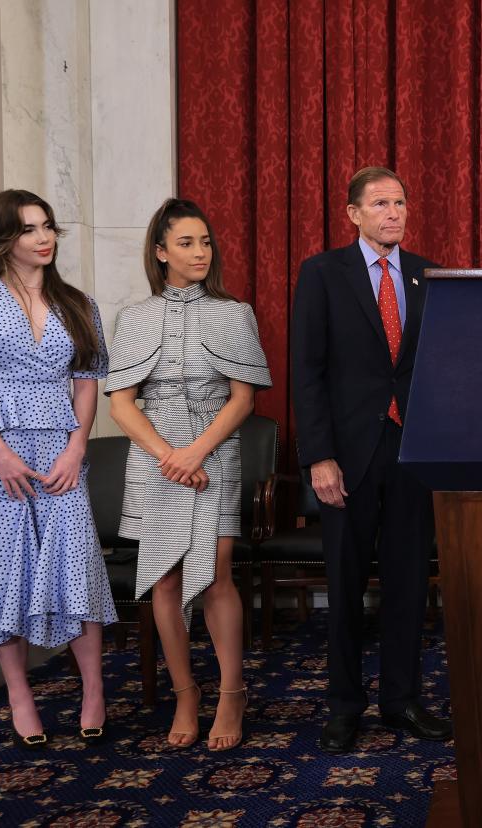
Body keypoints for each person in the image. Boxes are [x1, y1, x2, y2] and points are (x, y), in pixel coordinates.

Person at [0, 189, 116, 749]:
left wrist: (77, 447)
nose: (44, 238)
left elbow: (87, 382)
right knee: (3, 573)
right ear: (2, 240)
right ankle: (18, 694)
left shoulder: (79, 302)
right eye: (29, 229)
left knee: (75, 568)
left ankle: (93, 690)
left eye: (48, 227)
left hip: (61, 451)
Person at [292, 166, 452, 754]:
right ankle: (344, 705)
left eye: (401, 202)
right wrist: (319, 457)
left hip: (411, 451)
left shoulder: (426, 275)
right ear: (353, 213)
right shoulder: (323, 273)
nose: (394, 212)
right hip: (347, 456)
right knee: (346, 584)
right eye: (381, 203)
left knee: (409, 584)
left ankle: (402, 701)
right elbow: (306, 372)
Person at [106, 198, 271, 751]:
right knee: (163, 579)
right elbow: (122, 405)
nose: (200, 252)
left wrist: (196, 451)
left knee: (217, 575)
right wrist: (167, 456)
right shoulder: (133, 317)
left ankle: (231, 692)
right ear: (160, 252)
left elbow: (243, 400)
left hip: (214, 451)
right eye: (186, 243)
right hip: (154, 460)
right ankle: (184, 692)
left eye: (205, 242)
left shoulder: (235, 312)